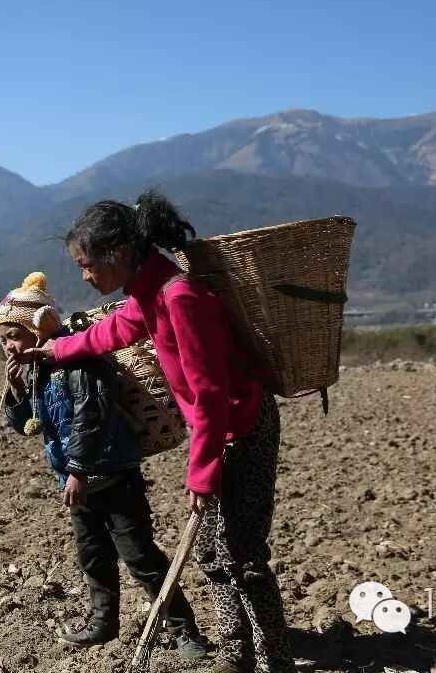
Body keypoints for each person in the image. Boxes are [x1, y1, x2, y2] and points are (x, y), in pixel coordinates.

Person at [24, 192, 294, 673]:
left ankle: (275, 659)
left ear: (120, 253)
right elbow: (113, 332)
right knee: (209, 550)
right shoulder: (148, 294)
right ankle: (236, 653)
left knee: (243, 554)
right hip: (219, 432)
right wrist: (57, 351)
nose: (85, 276)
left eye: (87, 265)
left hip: (243, 428)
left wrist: (202, 475)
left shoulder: (179, 297)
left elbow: (211, 394)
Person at [0, 272, 206, 661]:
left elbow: (92, 417)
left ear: (37, 327)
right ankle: (103, 623)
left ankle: (185, 631)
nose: (8, 345)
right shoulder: (36, 369)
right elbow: (30, 425)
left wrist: (78, 471)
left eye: (14, 336)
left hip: (110, 473)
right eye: (3, 339)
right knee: (93, 556)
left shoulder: (79, 360)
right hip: (76, 480)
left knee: (140, 556)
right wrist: (18, 389)